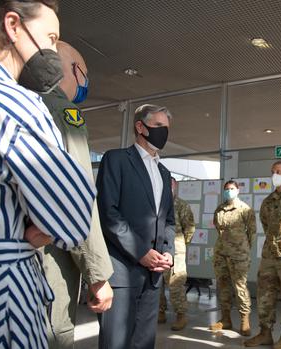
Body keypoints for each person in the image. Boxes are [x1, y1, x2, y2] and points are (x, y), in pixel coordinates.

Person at [0, 1, 96, 347]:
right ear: (13, 26)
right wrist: (27, 232)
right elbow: (72, 216)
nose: (51, 50)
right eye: (50, 36)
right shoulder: (18, 104)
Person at [39, 40, 114, 349]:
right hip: (46, 263)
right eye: (84, 73)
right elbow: (78, 197)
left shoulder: (11, 103)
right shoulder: (63, 112)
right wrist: (98, 276)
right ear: (73, 70)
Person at [96, 104, 176, 349]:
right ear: (140, 127)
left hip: (153, 275)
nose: (164, 132)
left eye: (167, 128)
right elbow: (108, 213)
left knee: (144, 342)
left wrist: (168, 252)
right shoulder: (116, 159)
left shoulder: (164, 172)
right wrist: (141, 252)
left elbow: (169, 220)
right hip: (122, 271)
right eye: (159, 126)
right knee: (116, 342)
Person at [245, 161, 281, 349]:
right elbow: (267, 227)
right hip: (269, 255)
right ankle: (265, 333)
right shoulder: (267, 202)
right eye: (272, 172)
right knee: (265, 294)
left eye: (279, 171)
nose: (275, 175)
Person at [209, 180, 256, 336]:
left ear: (238, 190)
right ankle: (226, 319)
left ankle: (244, 320)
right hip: (221, 253)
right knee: (223, 286)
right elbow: (218, 228)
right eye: (226, 189)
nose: (229, 191)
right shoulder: (219, 209)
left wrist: (243, 249)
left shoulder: (245, 209)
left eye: (232, 188)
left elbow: (252, 233)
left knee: (240, 287)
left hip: (239, 254)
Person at [159, 177, 196, 331]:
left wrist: (180, 245)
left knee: (176, 283)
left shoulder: (181, 205)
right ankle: (160, 311)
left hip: (176, 250)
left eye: (171, 186)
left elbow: (190, 228)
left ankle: (181, 315)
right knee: (157, 283)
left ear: (175, 187)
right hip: (157, 248)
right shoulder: (156, 204)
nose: (168, 189)